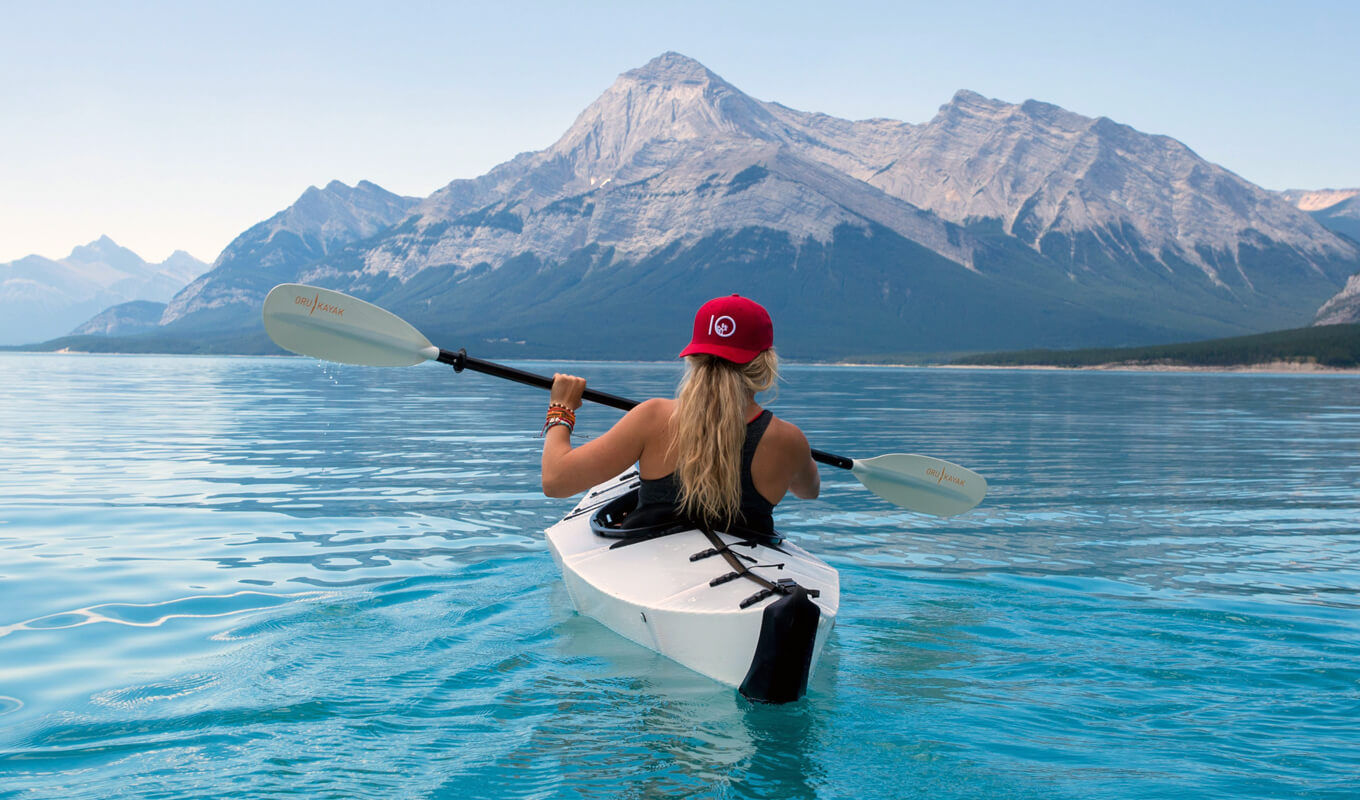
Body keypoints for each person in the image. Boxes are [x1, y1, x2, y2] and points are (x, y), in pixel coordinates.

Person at [540, 294, 819, 536]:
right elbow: (809, 491)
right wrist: (796, 457)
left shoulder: (653, 417)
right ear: (765, 364)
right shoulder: (789, 440)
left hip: (651, 562)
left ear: (693, 357)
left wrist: (561, 409)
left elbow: (556, 481)